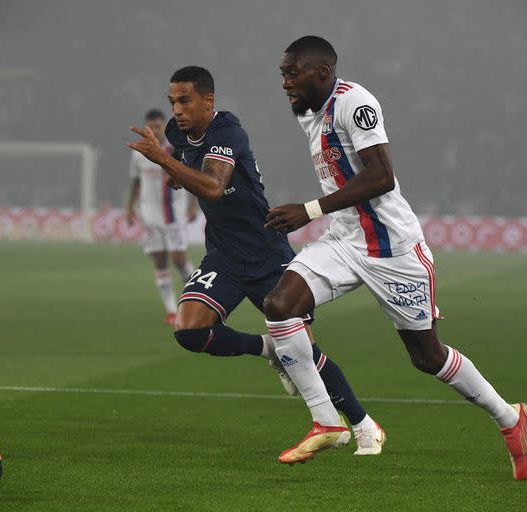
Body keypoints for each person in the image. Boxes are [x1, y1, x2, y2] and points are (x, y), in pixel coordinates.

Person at [264, 35, 527, 479]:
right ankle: (327, 420)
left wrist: (308, 210)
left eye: (294, 73)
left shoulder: (356, 103)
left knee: (428, 357)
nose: (286, 81)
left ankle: (510, 418)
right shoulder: (308, 111)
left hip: (393, 249)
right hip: (345, 241)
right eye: (282, 74)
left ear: (324, 72)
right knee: (280, 306)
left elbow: (382, 176)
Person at [128, 66, 385, 456]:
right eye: (172, 102)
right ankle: (269, 349)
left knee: (306, 353)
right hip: (223, 255)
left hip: (266, 251)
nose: (176, 111)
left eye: (185, 100)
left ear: (208, 100)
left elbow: (213, 186)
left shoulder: (229, 132)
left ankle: (364, 425)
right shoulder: (178, 136)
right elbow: (188, 173)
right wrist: (175, 173)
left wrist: (165, 164)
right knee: (190, 331)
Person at [126, 108, 198, 326]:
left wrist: (194, 204)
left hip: (174, 214)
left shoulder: (177, 149)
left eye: (158, 126)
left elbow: (191, 176)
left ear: (164, 126)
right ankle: (171, 311)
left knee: (179, 259)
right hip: (149, 215)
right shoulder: (138, 152)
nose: (155, 130)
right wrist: (129, 207)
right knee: (159, 261)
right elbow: (136, 182)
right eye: (151, 126)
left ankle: (198, 300)